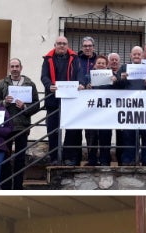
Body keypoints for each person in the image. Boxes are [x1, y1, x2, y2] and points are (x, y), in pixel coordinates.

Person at [0, 58, 40, 190]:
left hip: (22, 126)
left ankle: (18, 186)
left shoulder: (29, 84)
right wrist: (4, 103)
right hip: (5, 126)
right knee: (5, 157)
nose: (14, 69)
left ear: (21, 68)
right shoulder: (1, 83)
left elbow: (37, 104)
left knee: (20, 158)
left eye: (17, 66)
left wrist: (25, 107)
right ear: (9, 68)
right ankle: (6, 187)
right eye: (12, 66)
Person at [41, 36, 84, 166]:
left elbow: (80, 74)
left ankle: (67, 158)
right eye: (59, 43)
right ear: (55, 45)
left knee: (71, 130)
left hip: (70, 100)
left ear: (67, 45)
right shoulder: (47, 59)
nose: (61, 46)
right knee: (53, 130)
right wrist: (49, 86)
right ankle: (54, 158)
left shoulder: (75, 58)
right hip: (52, 99)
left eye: (64, 44)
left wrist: (81, 83)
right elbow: (44, 76)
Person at [116, 46, 146, 166]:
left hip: (145, 108)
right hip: (128, 107)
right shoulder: (123, 68)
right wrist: (121, 79)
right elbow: (116, 86)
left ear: (142, 55)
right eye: (134, 54)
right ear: (130, 55)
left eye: (139, 54)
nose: (137, 56)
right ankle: (129, 160)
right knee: (128, 134)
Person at [84, 55, 115, 166]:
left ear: (107, 66)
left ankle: (104, 160)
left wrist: (115, 81)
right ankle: (92, 160)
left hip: (106, 113)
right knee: (91, 136)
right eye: (99, 63)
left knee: (105, 136)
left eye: (103, 63)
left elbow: (118, 91)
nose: (101, 65)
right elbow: (82, 91)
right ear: (95, 65)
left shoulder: (112, 77)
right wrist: (86, 87)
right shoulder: (87, 77)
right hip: (91, 112)